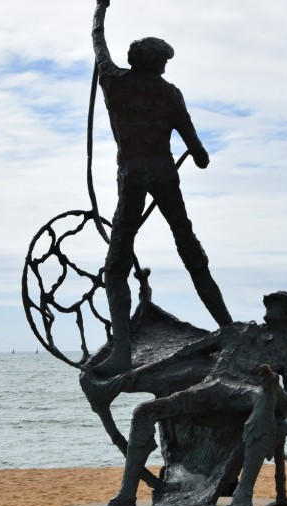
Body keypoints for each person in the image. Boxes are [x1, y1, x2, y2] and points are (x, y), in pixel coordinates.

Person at [91, 0, 232, 375]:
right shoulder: (169, 93)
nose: (166, 68)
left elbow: (98, 43)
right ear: (155, 63)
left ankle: (122, 351)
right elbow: (193, 143)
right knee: (189, 246)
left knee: (118, 264)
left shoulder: (112, 81)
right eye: (164, 62)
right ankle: (228, 328)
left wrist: (100, 9)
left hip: (133, 173)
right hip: (164, 173)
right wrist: (200, 155)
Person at [90, 292, 287, 506]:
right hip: (212, 387)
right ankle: (125, 497)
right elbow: (184, 353)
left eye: (277, 304)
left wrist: (275, 388)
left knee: (264, 398)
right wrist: (133, 375)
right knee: (144, 411)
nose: (269, 305)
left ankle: (242, 497)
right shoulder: (239, 330)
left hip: (247, 393)